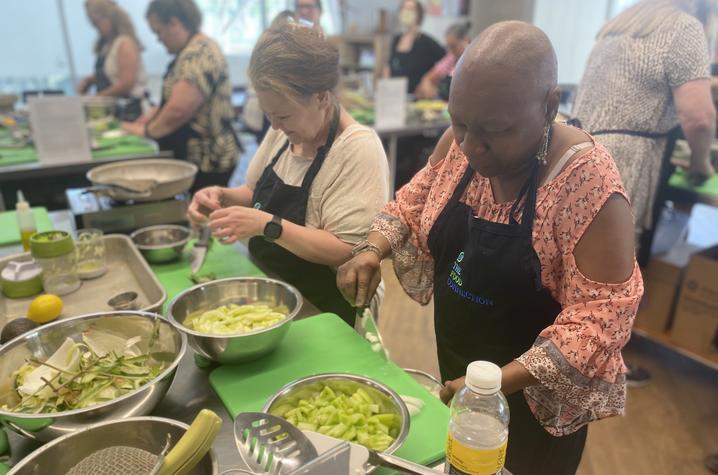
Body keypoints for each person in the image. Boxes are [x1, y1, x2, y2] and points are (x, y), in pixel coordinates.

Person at [338, 22, 643, 474]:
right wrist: (371, 248)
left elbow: (603, 316)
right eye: (459, 123)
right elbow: (414, 199)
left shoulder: (585, 182)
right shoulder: (461, 144)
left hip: (532, 399)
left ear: (549, 107)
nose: (470, 146)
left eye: (494, 131)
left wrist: (494, 383)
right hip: (460, 364)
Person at [188, 24, 389, 327]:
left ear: (322, 98)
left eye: (283, 116)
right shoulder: (284, 132)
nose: (276, 126)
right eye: (270, 115)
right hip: (276, 290)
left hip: (327, 308)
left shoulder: (357, 149)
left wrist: (268, 225)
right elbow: (252, 191)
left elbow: (345, 249)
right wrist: (220, 197)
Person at [573, 0, 716, 260]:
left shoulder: (621, 24)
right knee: (611, 273)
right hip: (625, 164)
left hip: (579, 154)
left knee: (575, 260)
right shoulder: (684, 27)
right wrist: (700, 165)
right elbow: (700, 120)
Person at [122, 0, 240, 190]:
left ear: (174, 23)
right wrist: (153, 115)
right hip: (197, 156)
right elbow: (173, 101)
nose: (158, 39)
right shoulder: (191, 50)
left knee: (204, 215)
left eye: (159, 32)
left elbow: (178, 110)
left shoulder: (199, 53)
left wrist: (145, 132)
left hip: (207, 159)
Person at [77, 0, 147, 120]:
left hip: (130, 111)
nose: (95, 28)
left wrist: (96, 99)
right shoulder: (106, 46)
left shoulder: (125, 44)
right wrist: (91, 80)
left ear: (109, 17)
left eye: (96, 23)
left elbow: (126, 84)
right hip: (112, 111)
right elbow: (112, 73)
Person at [387, 0, 446, 95]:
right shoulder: (396, 39)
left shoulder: (427, 42)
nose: (406, 12)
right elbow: (389, 66)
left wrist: (430, 80)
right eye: (404, 8)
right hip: (395, 97)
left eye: (411, 9)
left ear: (419, 14)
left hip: (418, 100)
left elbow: (448, 60)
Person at [415, 21, 471, 100]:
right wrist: (428, 87)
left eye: (453, 46)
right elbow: (428, 77)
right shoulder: (451, 58)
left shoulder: (473, 61)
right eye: (448, 47)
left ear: (465, 40)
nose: (451, 51)